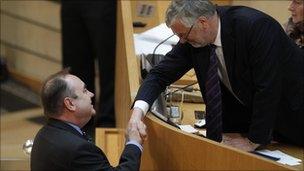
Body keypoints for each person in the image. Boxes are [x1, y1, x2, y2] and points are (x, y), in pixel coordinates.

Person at [130, 0, 304, 152]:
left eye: (183, 35)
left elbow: (268, 87)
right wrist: (137, 113)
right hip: (252, 127)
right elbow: (159, 74)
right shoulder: (194, 37)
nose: (181, 41)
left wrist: (254, 140)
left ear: (203, 22)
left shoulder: (254, 26)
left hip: (292, 120)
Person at [31, 69, 146, 171]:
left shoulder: (42, 134)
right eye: (85, 90)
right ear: (70, 103)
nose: (91, 94)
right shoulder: (78, 150)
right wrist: (133, 143)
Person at [61, 1, 117, 137]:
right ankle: (78, 123)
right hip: (72, 5)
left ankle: (106, 125)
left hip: (103, 5)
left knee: (109, 66)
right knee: (75, 67)